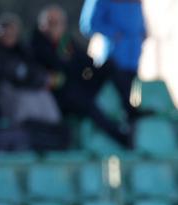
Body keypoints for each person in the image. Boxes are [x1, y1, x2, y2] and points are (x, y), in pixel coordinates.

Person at [31, 5, 132, 146]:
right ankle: (120, 137)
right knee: (83, 101)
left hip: (78, 86)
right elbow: (55, 71)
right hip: (59, 98)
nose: (57, 27)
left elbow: (85, 62)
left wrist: (90, 70)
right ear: (43, 25)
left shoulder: (65, 42)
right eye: (52, 23)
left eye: (60, 23)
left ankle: (130, 110)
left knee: (110, 65)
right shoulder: (36, 45)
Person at [0, 13, 63, 129]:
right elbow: (14, 74)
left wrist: (42, 79)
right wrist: (35, 79)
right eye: (7, 32)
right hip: (2, 96)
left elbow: (32, 70)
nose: (10, 36)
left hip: (27, 88)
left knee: (43, 94)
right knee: (25, 98)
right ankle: (26, 131)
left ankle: (53, 131)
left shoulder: (22, 51)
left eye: (13, 33)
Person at [79, 0, 147, 115]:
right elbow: (88, 24)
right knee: (111, 101)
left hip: (133, 58)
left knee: (130, 98)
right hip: (112, 59)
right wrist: (114, 33)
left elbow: (139, 20)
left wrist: (142, 33)